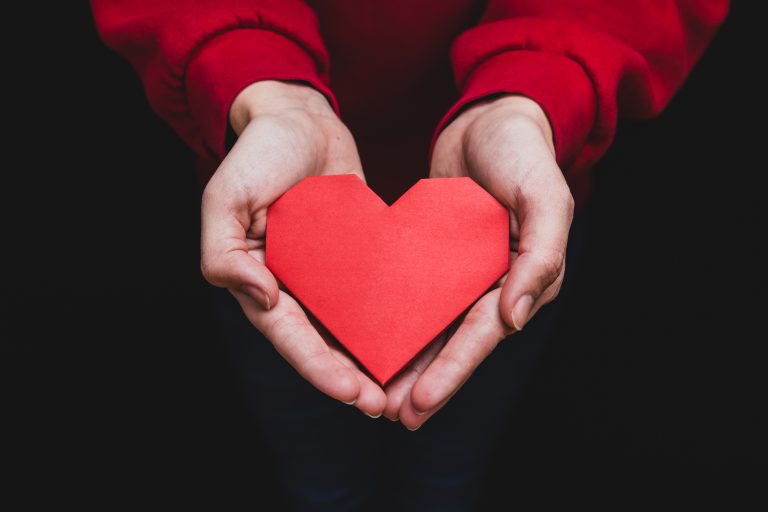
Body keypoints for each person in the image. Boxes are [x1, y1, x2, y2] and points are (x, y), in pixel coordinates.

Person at [91, 1, 728, 509]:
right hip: (271, 227)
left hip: (504, 225)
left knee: (444, 476)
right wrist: (266, 89)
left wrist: (529, 96)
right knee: (318, 478)